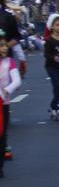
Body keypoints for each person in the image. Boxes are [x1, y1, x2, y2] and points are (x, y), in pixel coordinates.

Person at [0, 33, 21, 178]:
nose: (4, 48)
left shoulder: (10, 62)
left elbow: (17, 80)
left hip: (4, 103)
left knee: (2, 133)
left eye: (5, 45)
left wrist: (7, 90)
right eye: (1, 46)